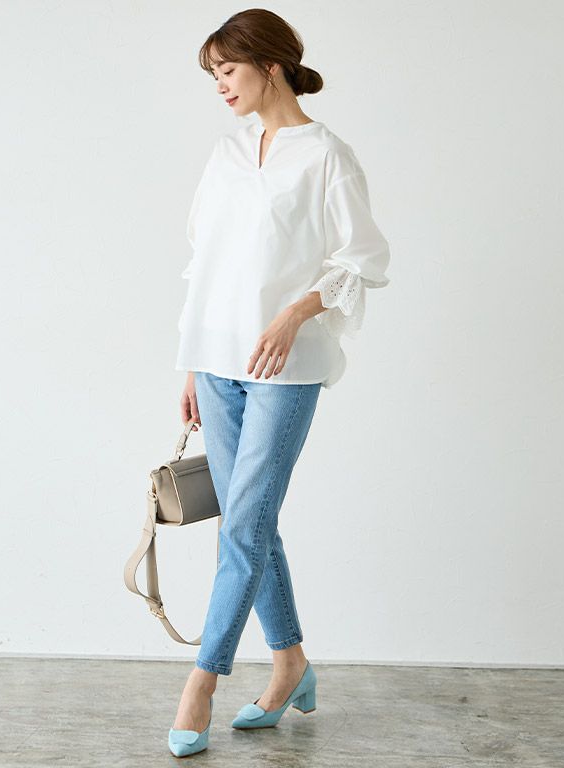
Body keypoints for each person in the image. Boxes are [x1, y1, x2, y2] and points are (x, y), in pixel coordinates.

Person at [168, 9, 391, 758]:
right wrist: (191, 362)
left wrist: (296, 313)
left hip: (284, 369)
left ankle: (201, 683)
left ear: (271, 66)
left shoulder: (326, 155)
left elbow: (363, 258)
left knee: (245, 525)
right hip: (217, 362)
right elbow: (203, 263)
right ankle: (291, 662)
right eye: (213, 74)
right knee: (250, 522)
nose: (219, 86)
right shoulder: (226, 152)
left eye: (227, 70)